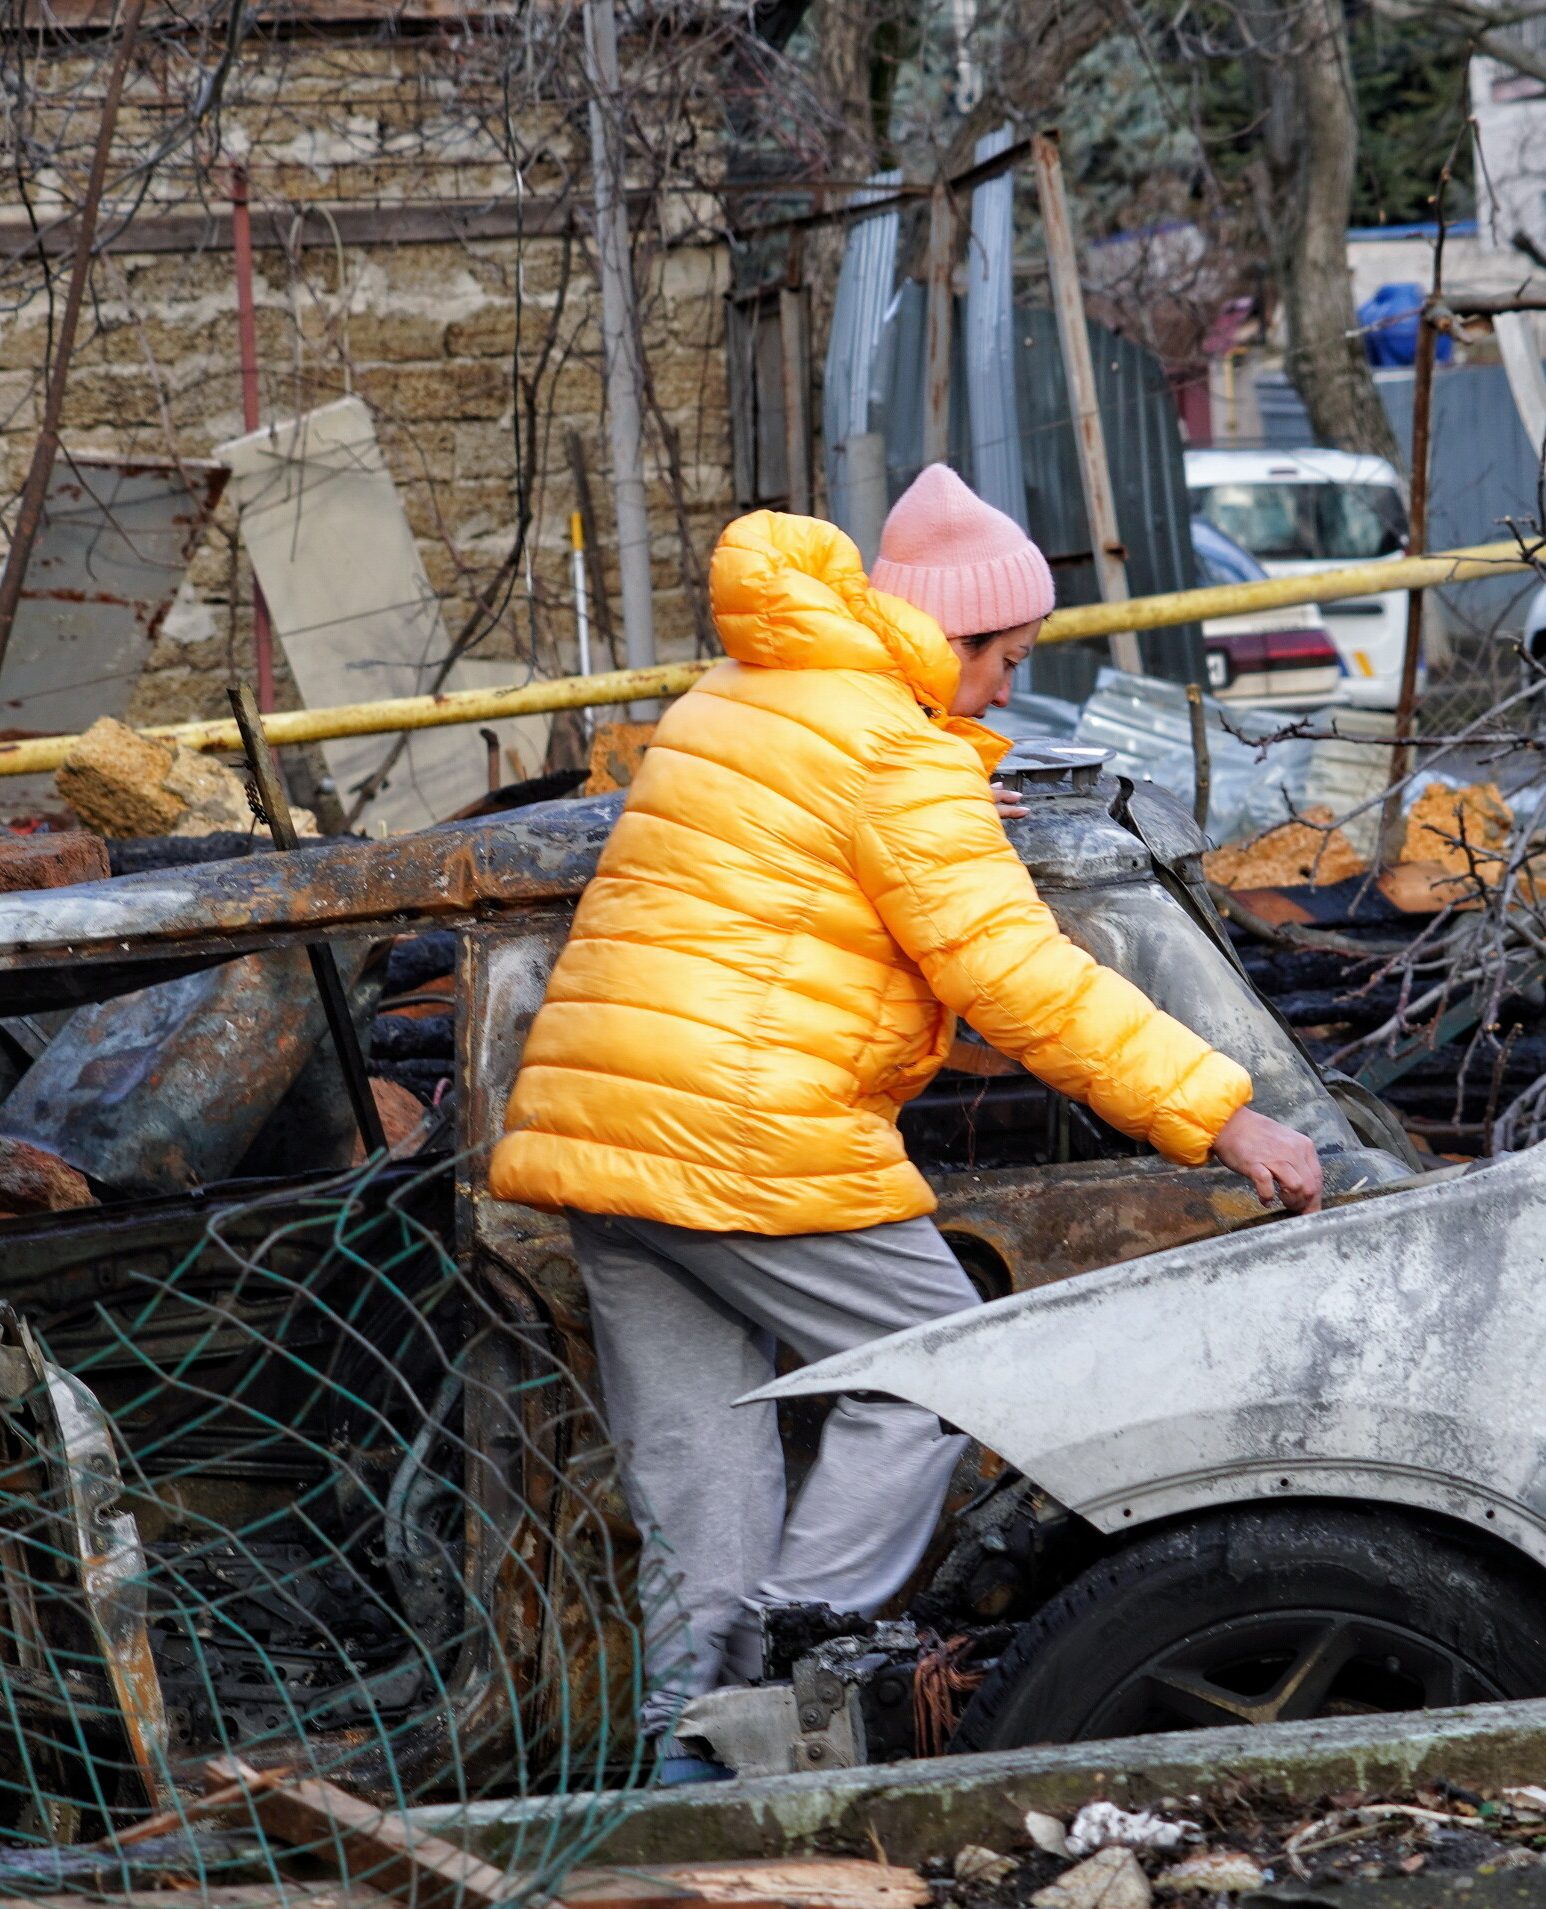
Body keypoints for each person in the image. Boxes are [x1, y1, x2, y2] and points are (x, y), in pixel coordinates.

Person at [489, 464, 1324, 1778]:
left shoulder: (745, 695)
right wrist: (1226, 1120)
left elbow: (802, 857)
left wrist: (941, 797)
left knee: (705, 1486)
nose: (1007, 689)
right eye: (1009, 660)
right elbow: (1021, 980)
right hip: (743, 1134)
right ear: (952, 641)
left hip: (604, 1140)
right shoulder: (895, 753)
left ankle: (687, 1778)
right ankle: (785, 1676)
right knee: (936, 1370)